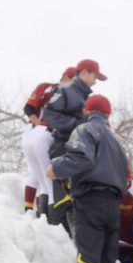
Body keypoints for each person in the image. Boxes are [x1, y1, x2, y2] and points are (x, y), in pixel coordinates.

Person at [47, 94, 129, 263]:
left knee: (89, 256)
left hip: (90, 198)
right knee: (107, 259)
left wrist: (56, 168)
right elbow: (127, 175)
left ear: (87, 111)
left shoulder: (85, 130)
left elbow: (80, 157)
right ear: (108, 115)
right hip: (113, 204)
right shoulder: (115, 141)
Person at [43, 60, 107, 229]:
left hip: (78, 150)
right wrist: (77, 125)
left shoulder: (85, 97)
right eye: (95, 76)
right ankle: (54, 237)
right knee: (62, 200)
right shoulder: (66, 90)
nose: (95, 82)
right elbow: (48, 114)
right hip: (63, 146)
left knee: (75, 201)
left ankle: (69, 241)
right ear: (84, 72)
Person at [21, 67, 76, 216]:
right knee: (44, 176)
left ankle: (34, 213)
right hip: (40, 131)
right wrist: (41, 126)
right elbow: (29, 108)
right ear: (65, 77)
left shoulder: (72, 95)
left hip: (42, 132)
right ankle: (41, 213)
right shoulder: (48, 87)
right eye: (73, 80)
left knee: (39, 176)